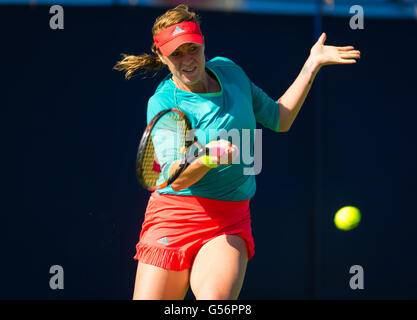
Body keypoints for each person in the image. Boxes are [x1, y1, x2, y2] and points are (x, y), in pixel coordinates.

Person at [113, 4, 360, 300]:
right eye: (176, 53)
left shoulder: (231, 72)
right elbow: (175, 179)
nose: (187, 60)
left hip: (228, 218)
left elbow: (280, 118)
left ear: (203, 44)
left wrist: (312, 64)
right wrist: (207, 157)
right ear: (162, 56)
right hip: (173, 215)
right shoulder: (164, 102)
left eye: (192, 48)